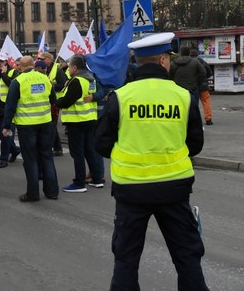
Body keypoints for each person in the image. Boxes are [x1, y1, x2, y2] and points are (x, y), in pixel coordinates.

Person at [94, 32, 208, 291]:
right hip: (175, 189)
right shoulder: (182, 96)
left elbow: (101, 143)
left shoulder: (121, 97)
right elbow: (195, 144)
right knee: (187, 258)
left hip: (131, 191)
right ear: (163, 61)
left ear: (138, 62)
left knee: (126, 260)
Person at [3, 56, 59, 202]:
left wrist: (6, 125)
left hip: (27, 125)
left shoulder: (18, 81)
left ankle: (33, 194)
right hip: (45, 123)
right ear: (33, 65)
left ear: (20, 66)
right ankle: (52, 191)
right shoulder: (44, 78)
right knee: (47, 157)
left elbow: (10, 106)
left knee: (30, 159)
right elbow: (53, 100)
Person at [56, 55, 104, 193]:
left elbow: (67, 101)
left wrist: (56, 102)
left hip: (77, 120)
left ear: (75, 68)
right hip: (89, 118)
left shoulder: (77, 81)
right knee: (89, 150)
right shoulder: (91, 79)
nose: (68, 69)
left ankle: (79, 183)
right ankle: (97, 179)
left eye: (70, 66)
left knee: (77, 153)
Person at [39, 52, 67, 156]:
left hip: (55, 101)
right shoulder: (43, 69)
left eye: (43, 59)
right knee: (51, 125)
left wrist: (52, 86)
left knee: (51, 125)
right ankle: (58, 148)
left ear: (49, 59)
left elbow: (63, 84)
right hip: (46, 100)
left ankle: (52, 148)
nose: (42, 61)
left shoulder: (57, 69)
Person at [190, 49, 213, 125]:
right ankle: (208, 119)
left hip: (193, 86)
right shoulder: (202, 61)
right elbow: (209, 73)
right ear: (197, 55)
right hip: (203, 86)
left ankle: (194, 120)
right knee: (206, 102)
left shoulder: (189, 62)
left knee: (193, 103)